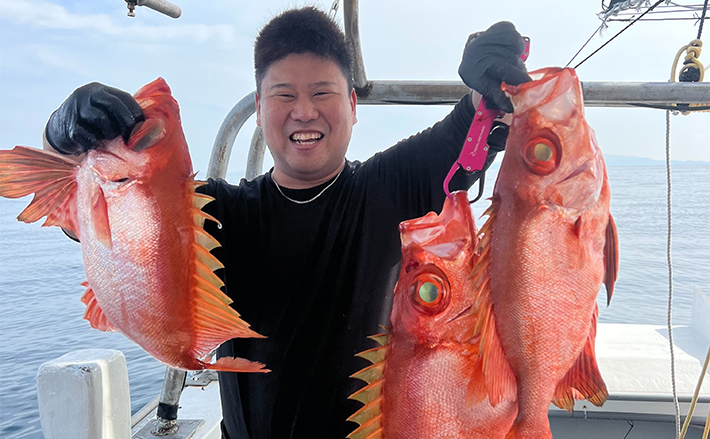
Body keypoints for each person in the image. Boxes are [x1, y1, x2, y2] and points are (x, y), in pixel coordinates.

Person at [43, 7, 529, 439]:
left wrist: (490, 73)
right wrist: (64, 142)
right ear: (258, 109)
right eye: (283, 95)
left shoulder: (389, 186)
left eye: (323, 92)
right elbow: (103, 217)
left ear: (353, 107)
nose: (304, 111)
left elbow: (474, 123)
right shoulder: (217, 212)